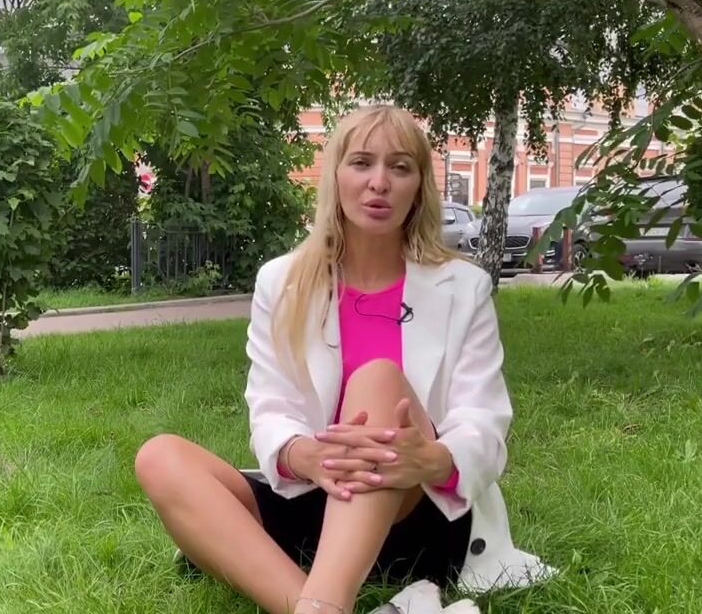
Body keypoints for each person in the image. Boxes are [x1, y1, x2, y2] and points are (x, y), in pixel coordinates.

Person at [134, 106, 552, 614]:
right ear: (335, 176)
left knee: (378, 382)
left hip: (418, 510)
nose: (379, 182)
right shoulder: (281, 282)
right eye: (361, 162)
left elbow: (484, 419)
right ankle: (318, 603)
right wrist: (303, 456)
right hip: (315, 497)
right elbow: (271, 407)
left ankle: (323, 602)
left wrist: (434, 459)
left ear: (419, 187)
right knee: (160, 457)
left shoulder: (464, 288)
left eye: (400, 167)